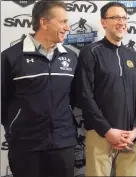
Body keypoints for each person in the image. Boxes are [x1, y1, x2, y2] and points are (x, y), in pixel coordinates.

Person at [1, 1, 78, 177]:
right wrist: (14, 131)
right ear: (44, 23)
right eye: (63, 21)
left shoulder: (71, 57)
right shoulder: (10, 57)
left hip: (63, 144)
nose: (67, 27)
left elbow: (73, 98)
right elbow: (2, 101)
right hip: (25, 146)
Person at [75, 2, 136, 176]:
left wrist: (135, 130)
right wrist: (107, 131)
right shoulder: (90, 52)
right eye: (115, 17)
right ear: (103, 22)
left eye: (124, 18)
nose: (121, 22)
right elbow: (84, 96)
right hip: (100, 135)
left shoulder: (134, 57)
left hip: (130, 137)